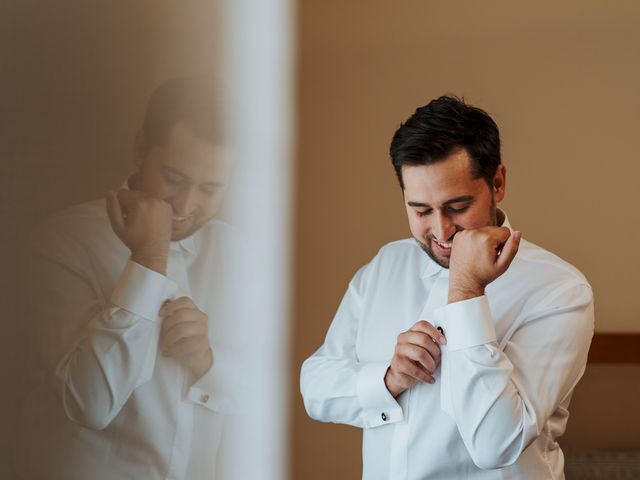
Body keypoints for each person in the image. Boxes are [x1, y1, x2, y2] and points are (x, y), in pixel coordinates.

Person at [300, 95, 594, 479]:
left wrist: (466, 290)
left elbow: (496, 444)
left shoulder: (559, 290)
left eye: (457, 206)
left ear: (498, 182)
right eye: (420, 210)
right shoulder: (384, 267)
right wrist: (387, 379)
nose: (441, 231)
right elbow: (316, 386)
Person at [14, 77, 241, 480]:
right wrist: (149, 259)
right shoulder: (61, 244)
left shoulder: (239, 256)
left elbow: (269, 397)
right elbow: (89, 404)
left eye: (210, 188)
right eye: (175, 178)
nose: (187, 205)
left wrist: (208, 362)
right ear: (140, 149)